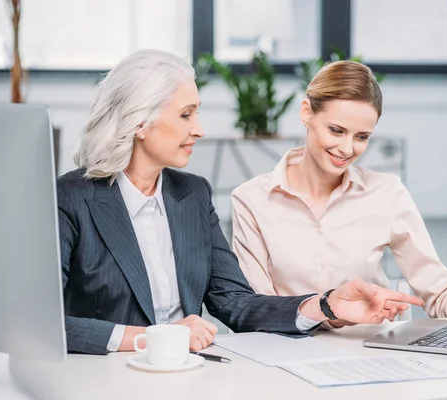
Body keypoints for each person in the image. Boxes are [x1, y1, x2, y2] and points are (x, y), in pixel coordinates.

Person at [58, 50, 424, 355]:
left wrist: (326, 305)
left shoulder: (192, 195)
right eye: (186, 114)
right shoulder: (71, 199)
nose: (199, 128)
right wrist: (153, 339)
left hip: (188, 378)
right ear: (140, 121)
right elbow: (38, 323)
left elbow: (235, 303)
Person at [231, 60, 447, 328]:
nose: (347, 148)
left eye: (362, 136)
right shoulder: (252, 200)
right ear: (307, 112)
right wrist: (330, 312)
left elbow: (438, 297)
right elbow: (257, 312)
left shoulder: (387, 194)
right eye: (336, 130)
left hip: (365, 355)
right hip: (284, 356)